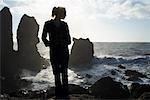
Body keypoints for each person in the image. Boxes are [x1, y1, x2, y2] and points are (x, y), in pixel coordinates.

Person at [42, 7, 71, 99]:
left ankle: (65, 93)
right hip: (54, 51)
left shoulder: (64, 25)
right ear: (58, 13)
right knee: (57, 72)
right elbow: (43, 37)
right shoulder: (48, 24)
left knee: (64, 72)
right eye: (64, 13)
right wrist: (49, 44)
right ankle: (59, 93)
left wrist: (61, 42)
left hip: (63, 51)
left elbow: (69, 40)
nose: (65, 15)